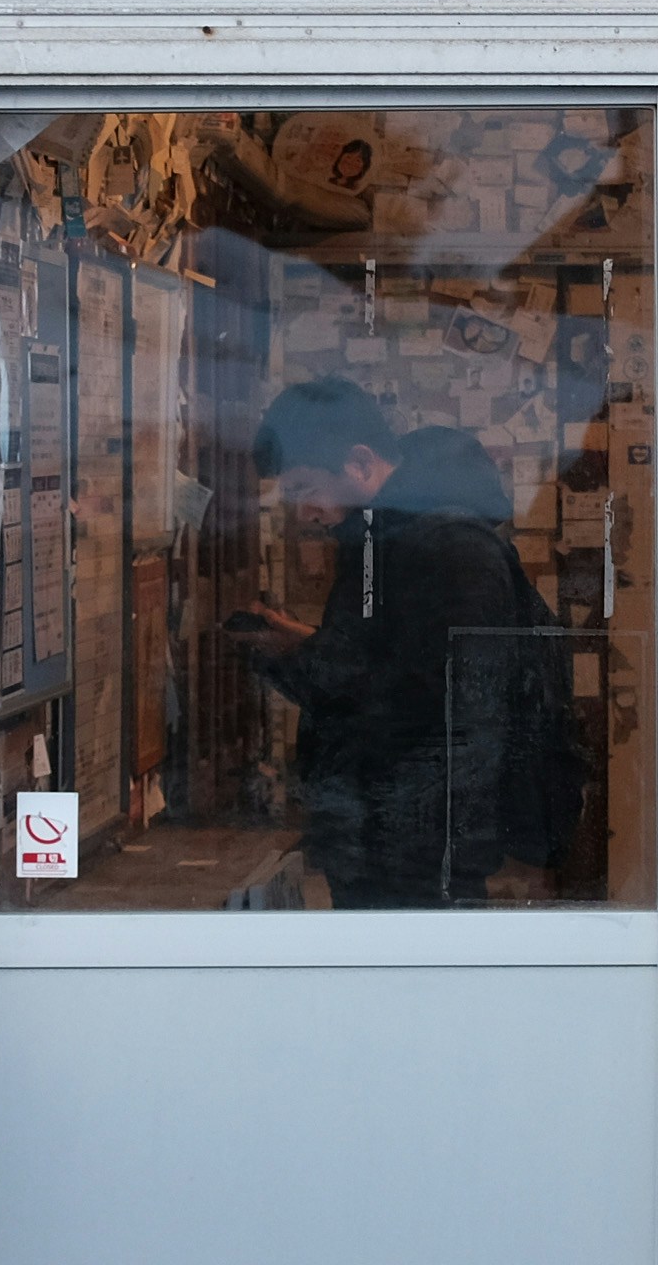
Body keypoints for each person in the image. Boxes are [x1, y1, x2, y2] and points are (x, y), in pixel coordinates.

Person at [230, 377, 581, 908]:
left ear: (359, 462)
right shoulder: (382, 534)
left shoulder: (450, 550)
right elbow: (402, 656)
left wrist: (310, 664)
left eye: (305, 490)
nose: (303, 513)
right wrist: (304, 644)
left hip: (418, 844)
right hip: (381, 831)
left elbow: (458, 706)